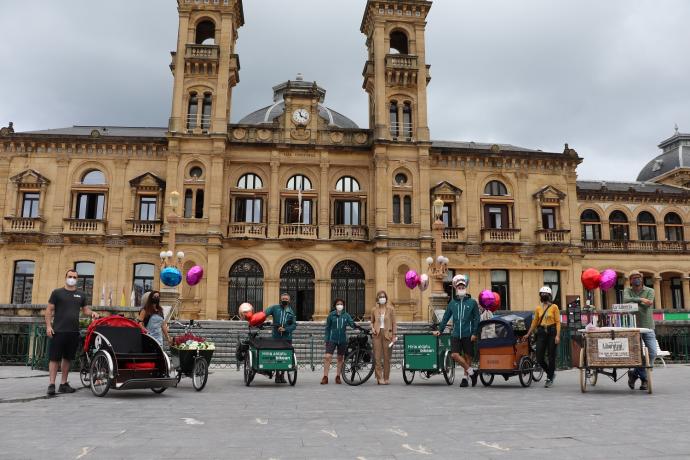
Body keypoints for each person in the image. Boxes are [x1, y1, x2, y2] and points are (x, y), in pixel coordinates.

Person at [44, 269, 99, 395]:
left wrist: (93, 313)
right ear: (65, 277)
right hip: (58, 331)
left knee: (67, 358)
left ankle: (63, 384)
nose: (72, 278)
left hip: (73, 332)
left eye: (74, 277)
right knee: (54, 358)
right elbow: (49, 310)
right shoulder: (57, 293)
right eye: (70, 276)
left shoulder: (81, 294)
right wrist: (48, 326)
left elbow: (85, 310)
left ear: (77, 279)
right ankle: (51, 384)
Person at [433, 274, 480, 387]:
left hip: (468, 333)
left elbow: (476, 319)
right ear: (456, 288)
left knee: (468, 356)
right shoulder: (452, 303)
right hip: (455, 333)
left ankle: (465, 378)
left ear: (465, 287)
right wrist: (440, 329)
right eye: (459, 287)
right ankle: (472, 372)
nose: (461, 289)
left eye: (463, 287)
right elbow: (445, 318)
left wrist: (474, 333)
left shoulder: (472, 302)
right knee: (454, 355)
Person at [624, 270, 656, 391]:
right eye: (633, 278)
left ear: (642, 279)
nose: (636, 279)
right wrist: (642, 300)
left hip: (647, 326)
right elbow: (626, 300)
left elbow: (648, 304)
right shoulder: (628, 290)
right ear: (630, 280)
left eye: (638, 277)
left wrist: (635, 300)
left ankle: (635, 374)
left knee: (652, 352)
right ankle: (645, 380)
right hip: (633, 326)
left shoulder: (650, 291)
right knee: (636, 354)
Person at [524, 286, 561, 388]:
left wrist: (557, 336)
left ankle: (549, 378)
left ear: (549, 296)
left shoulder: (554, 307)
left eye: (545, 294)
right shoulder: (538, 308)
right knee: (539, 357)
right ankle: (550, 372)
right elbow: (534, 322)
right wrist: (528, 334)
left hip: (552, 332)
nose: (543, 296)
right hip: (541, 332)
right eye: (542, 294)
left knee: (551, 356)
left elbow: (558, 322)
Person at [321, 298, 356, 385]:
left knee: (340, 358)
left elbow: (351, 323)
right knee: (327, 357)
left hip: (342, 340)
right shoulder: (331, 315)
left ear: (343, 306)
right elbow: (327, 328)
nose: (339, 305)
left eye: (341, 304)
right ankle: (325, 377)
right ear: (335, 305)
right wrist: (326, 339)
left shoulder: (346, 315)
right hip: (332, 339)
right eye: (338, 304)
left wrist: (356, 325)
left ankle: (338, 376)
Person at [264, 292, 297, 384]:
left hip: (287, 338)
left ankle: (282, 375)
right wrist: (259, 319)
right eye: (283, 299)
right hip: (276, 337)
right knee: (277, 356)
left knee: (285, 357)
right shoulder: (275, 308)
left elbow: (294, 325)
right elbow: (265, 313)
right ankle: (277, 375)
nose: (284, 301)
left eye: (286, 299)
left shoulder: (291, 311)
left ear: (289, 301)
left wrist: (286, 329)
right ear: (280, 299)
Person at [370, 290, 397, 385]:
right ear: (377, 299)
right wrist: (372, 328)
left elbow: (394, 323)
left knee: (387, 358)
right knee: (377, 357)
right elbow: (371, 321)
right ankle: (379, 377)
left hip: (387, 335)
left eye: (383, 296)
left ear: (386, 298)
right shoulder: (374, 310)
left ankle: (386, 377)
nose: (382, 298)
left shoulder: (391, 309)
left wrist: (394, 335)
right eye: (380, 297)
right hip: (377, 334)